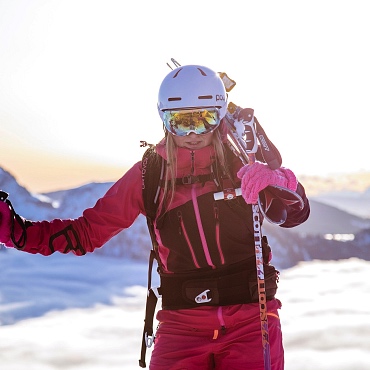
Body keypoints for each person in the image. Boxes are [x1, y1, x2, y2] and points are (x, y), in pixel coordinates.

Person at [0, 64, 310, 369]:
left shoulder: (242, 162)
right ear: (164, 120)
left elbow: (295, 215)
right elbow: (86, 233)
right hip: (181, 327)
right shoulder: (149, 176)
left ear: (219, 116)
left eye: (204, 119)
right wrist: (16, 232)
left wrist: (281, 182)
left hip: (251, 321)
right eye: (179, 121)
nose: (192, 133)